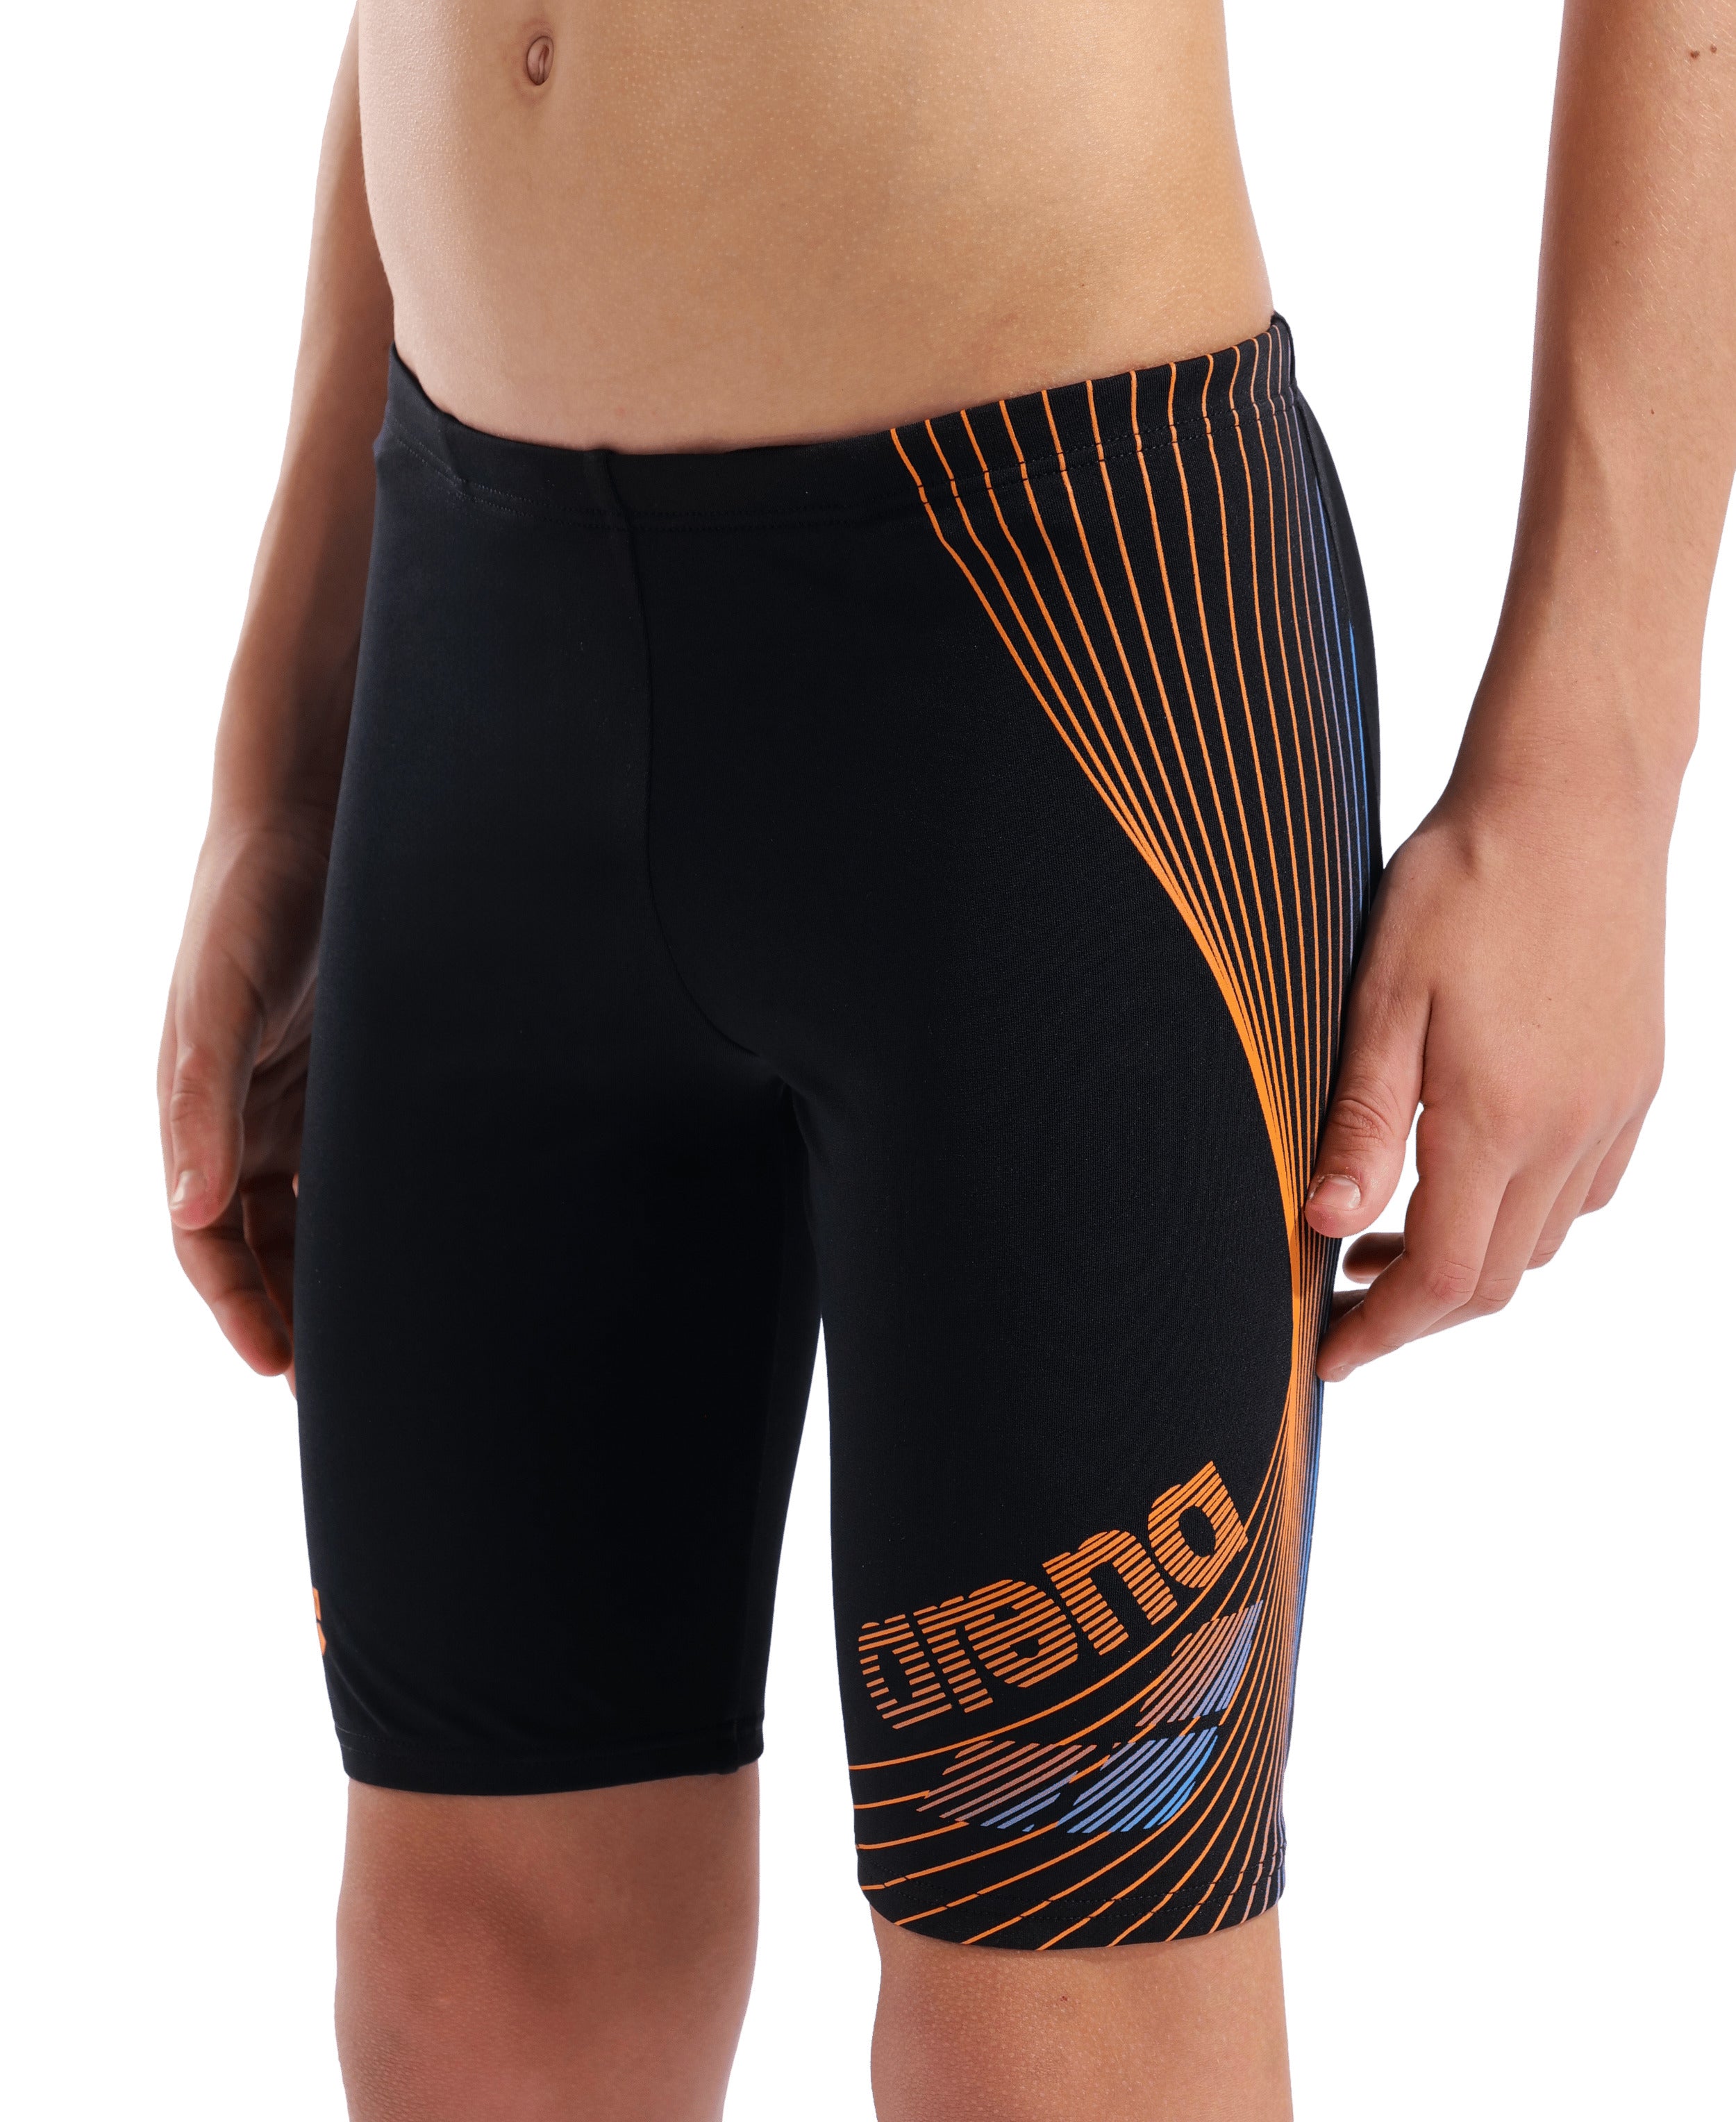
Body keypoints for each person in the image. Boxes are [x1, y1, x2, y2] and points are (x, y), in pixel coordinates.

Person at [157, 2, 1734, 2115]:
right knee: (479, 1981)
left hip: (1060, 654)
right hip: (475, 626)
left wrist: (1599, 760)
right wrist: (289, 735)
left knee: (1064, 2037)